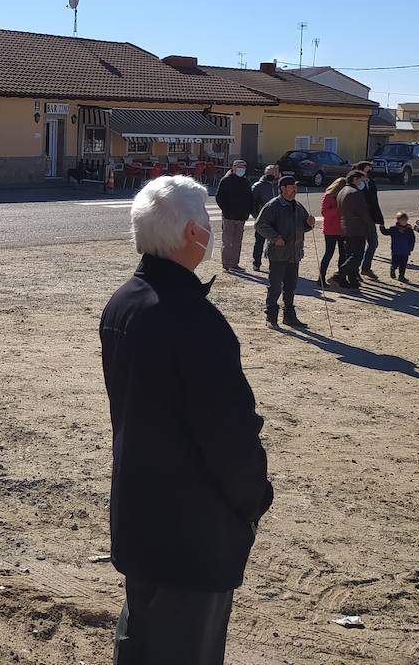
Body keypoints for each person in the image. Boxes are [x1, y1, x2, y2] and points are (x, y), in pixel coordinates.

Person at [100, 176, 273, 663]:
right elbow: (230, 437)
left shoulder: (124, 301)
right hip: (193, 535)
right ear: (194, 235)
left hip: (139, 518)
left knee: (139, 644)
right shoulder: (194, 320)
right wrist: (254, 499)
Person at [255, 174, 316, 328]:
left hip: (294, 254)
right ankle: (271, 316)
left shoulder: (298, 206)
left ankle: (289, 316)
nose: (295, 189)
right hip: (278, 253)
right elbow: (260, 225)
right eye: (292, 187)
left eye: (296, 187)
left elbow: (302, 228)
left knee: (290, 287)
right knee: (275, 286)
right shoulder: (273, 205)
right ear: (283, 188)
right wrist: (275, 238)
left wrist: (309, 224)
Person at [213, 159, 252, 272]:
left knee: (237, 242)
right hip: (229, 216)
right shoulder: (226, 180)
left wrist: (247, 211)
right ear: (233, 167)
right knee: (227, 241)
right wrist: (226, 209)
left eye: (243, 168)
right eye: (239, 167)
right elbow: (219, 197)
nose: (241, 170)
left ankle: (235, 263)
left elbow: (250, 198)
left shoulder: (245, 182)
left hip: (241, 217)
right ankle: (226, 264)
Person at [334, 170, 370, 289]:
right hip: (357, 229)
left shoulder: (342, 191)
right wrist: (368, 225)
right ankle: (339, 274)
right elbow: (363, 213)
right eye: (362, 179)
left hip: (345, 228)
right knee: (357, 256)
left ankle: (353, 281)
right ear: (355, 179)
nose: (363, 182)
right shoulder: (355, 192)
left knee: (350, 254)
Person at [248, 165, 281, 271]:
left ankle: (275, 264)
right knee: (259, 242)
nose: (271, 175)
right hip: (263, 220)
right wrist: (257, 217)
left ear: (278, 173)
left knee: (276, 243)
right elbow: (252, 204)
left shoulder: (281, 185)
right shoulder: (258, 186)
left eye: (273, 173)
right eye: (269, 173)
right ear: (265, 173)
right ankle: (256, 263)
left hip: (278, 220)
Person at [357, 161, 385, 280]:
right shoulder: (355, 184)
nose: (369, 172)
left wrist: (380, 219)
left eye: (370, 170)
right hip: (358, 220)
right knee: (358, 246)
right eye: (367, 170)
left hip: (371, 218)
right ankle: (354, 271)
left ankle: (366, 268)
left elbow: (375, 202)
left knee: (373, 243)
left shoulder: (371, 183)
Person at [317, 176, 344, 285]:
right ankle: (321, 278)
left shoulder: (342, 197)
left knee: (344, 254)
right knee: (329, 253)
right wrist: (338, 208)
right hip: (330, 229)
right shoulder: (328, 196)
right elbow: (324, 213)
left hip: (342, 229)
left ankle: (341, 277)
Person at [389, 213, 416, 281]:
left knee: (403, 264)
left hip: (405, 250)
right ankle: (393, 269)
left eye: (405, 220)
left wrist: (411, 248)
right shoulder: (394, 229)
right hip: (396, 250)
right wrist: (381, 226)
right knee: (395, 263)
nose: (404, 222)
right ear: (398, 220)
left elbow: (412, 239)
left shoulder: (409, 230)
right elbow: (385, 232)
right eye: (402, 220)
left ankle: (401, 276)